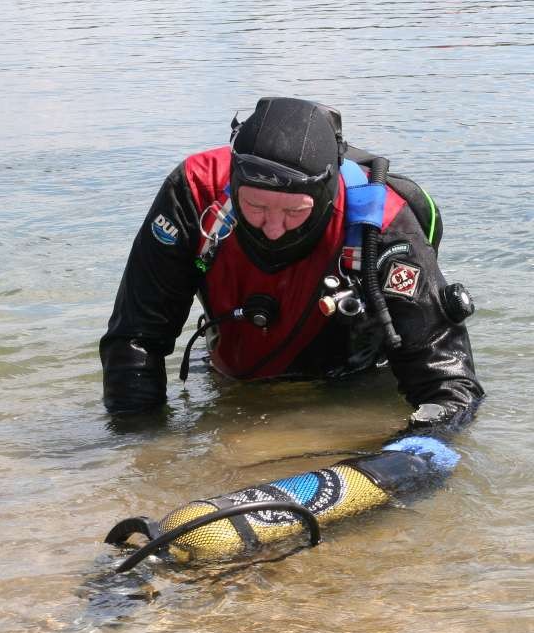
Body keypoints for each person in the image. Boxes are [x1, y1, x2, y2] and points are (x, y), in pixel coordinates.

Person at [100, 97, 484, 428]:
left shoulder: (382, 224)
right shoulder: (194, 191)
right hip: (233, 372)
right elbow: (136, 337)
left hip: (351, 385)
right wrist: (141, 449)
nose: (273, 228)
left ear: (326, 194)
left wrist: (419, 451)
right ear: (233, 183)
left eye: (294, 212)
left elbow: (448, 382)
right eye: (255, 206)